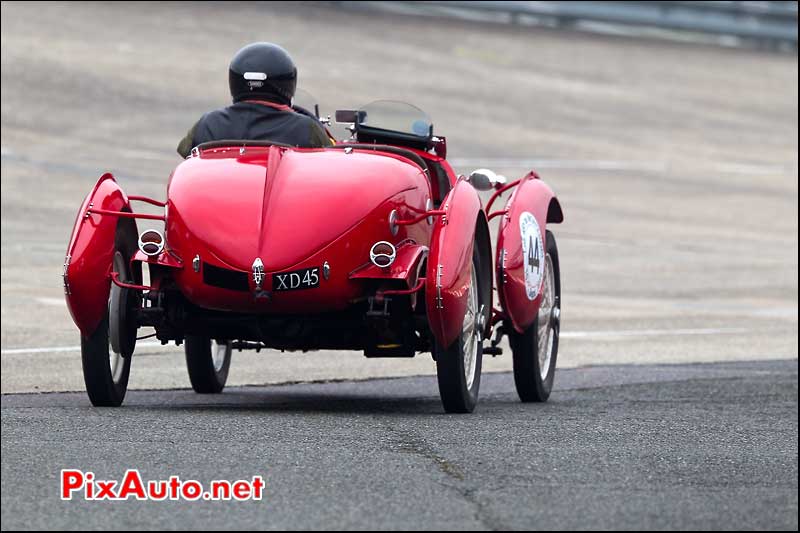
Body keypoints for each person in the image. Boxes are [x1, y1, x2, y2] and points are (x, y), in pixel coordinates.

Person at [177, 42, 332, 157]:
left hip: (217, 199)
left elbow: (186, 153)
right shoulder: (306, 128)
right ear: (288, 82)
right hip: (278, 201)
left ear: (235, 81)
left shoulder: (208, 123)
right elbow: (327, 162)